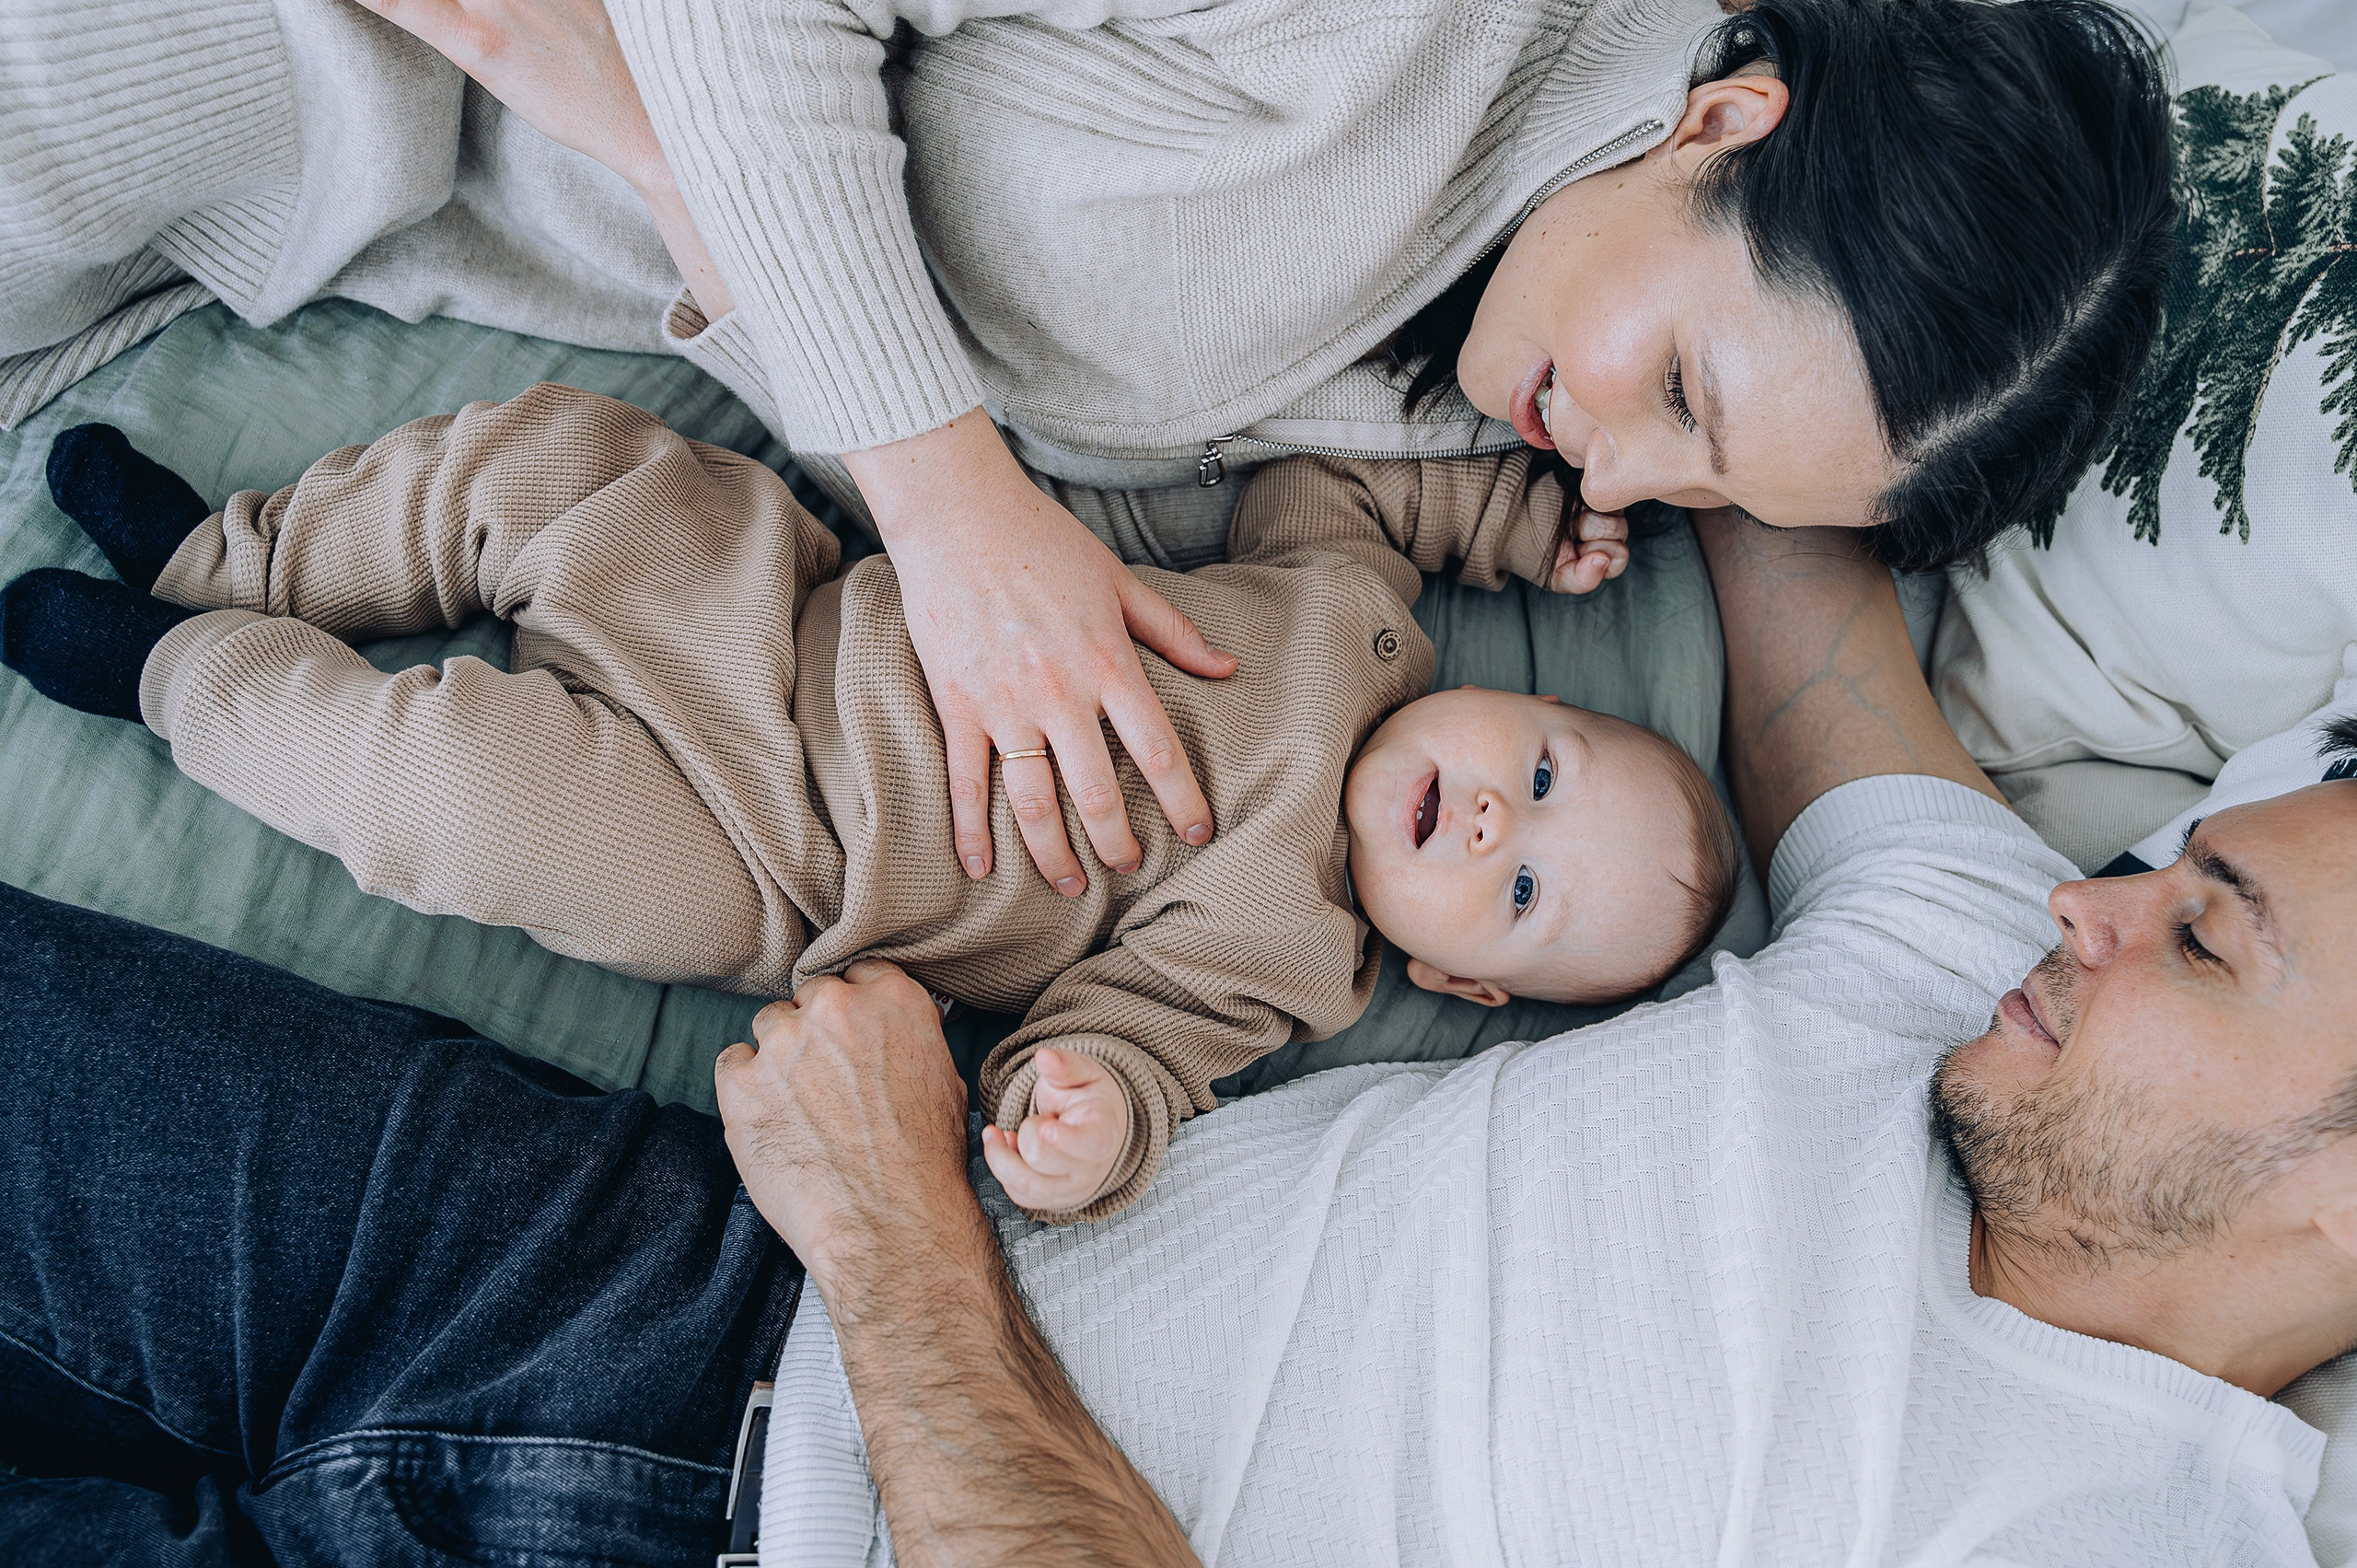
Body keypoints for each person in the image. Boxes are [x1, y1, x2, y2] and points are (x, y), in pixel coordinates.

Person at [9, 505, 2354, 1566]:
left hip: (858, 1287)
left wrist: (905, 1232)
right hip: (665, 1267)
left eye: (2203, 937)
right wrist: (1715, 311)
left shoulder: (2097, 1530)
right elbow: (1818, 626)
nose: (2095, 890)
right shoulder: (1969, 983)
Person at [0, 0, 2177, 898]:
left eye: (1704, 498)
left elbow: (1061, 470)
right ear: (1725, 118)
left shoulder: (1472, 362)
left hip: (328, 237)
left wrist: (645, 149)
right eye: (1682, 398)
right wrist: (947, 504)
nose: (1624, 468)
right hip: (270, 62)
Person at [0, 388, 1736, 1220]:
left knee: (439, 792)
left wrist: (1084, 1121)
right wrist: (1505, 522)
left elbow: (1138, 1041)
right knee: (553, 463)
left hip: (758, 859)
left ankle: (177, 674)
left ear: (1462, 987)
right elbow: (1323, 471)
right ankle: (234, 554)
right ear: (1526, 699)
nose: (1498, 823)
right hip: (793, 600)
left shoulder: (1292, 953)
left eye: (1521, 894)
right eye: (1543, 771)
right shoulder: (1361, 609)